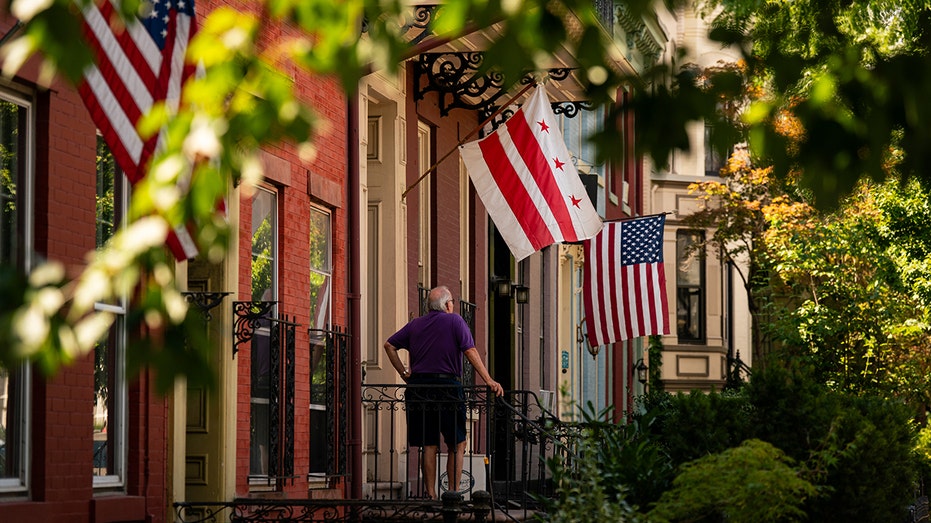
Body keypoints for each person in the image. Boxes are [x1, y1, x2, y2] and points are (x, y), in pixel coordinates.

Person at [384, 285, 504, 499]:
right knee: (457, 443)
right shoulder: (455, 321)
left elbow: (389, 346)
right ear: (448, 305)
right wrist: (489, 380)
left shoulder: (415, 325)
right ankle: (453, 494)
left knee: (428, 444)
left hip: (419, 388)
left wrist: (404, 373)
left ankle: (430, 496)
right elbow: (470, 351)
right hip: (447, 387)